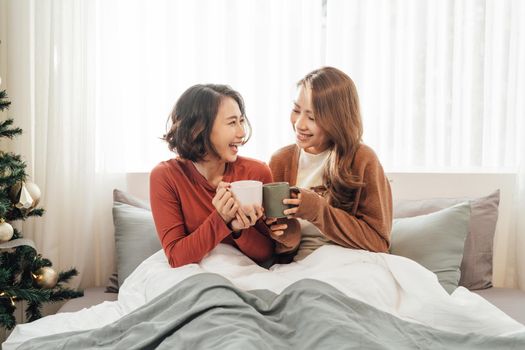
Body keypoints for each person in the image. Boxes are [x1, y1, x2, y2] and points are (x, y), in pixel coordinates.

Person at [266, 67, 392, 261]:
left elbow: (378, 242)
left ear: (337, 119)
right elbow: (274, 251)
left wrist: (317, 210)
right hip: (295, 270)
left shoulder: (363, 159)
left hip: (351, 264)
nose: (299, 124)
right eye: (296, 110)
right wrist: (286, 239)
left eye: (312, 117)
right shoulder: (280, 161)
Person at [150, 84, 274, 268]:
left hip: (245, 276)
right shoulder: (166, 176)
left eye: (241, 121)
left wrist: (238, 229)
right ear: (198, 129)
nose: (242, 133)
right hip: (193, 276)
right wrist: (221, 219)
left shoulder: (256, 173)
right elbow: (176, 257)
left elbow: (267, 254)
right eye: (232, 123)